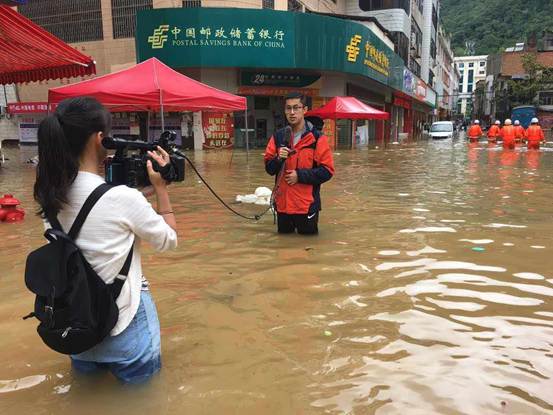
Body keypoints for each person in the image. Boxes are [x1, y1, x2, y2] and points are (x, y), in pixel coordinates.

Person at [33, 97, 178, 383]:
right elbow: (168, 240)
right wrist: (161, 191)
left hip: (77, 327)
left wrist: (138, 199)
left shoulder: (49, 197)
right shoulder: (124, 199)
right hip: (125, 326)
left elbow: (95, 210)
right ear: (101, 139)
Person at [264, 93, 335, 235]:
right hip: (283, 206)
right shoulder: (278, 136)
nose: (292, 112)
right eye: (288, 108)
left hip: (306, 206)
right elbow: (269, 169)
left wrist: (300, 176)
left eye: (296, 108)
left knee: (308, 249)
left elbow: (327, 171)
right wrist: (279, 159)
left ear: (305, 110)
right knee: (283, 247)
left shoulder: (316, 138)